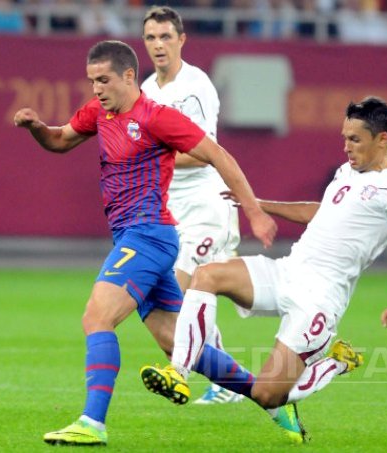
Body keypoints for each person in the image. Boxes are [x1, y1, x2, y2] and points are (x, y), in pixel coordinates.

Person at [13, 40, 277, 447]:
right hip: (136, 235)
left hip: (148, 234)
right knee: (176, 343)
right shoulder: (98, 112)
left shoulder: (157, 117)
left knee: (97, 317)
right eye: (92, 80)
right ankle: (272, 400)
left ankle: (92, 422)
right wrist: (36, 127)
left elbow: (219, 155)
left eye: (104, 80)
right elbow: (60, 140)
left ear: (128, 76)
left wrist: (254, 211)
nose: (97, 88)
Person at [141, 97, 387, 444]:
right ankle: (178, 373)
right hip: (287, 271)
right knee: (207, 275)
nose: (346, 147)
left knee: (267, 395)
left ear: (382, 139)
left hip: (319, 299)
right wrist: (260, 205)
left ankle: (337, 361)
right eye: (344, 137)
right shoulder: (347, 171)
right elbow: (320, 213)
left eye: (355, 139)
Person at [141, 5, 242, 404]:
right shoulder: (147, 90)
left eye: (166, 36)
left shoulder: (195, 86)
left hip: (205, 206)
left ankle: (179, 373)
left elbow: (203, 154)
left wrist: (150, 156)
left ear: (181, 40)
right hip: (171, 208)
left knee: (182, 291)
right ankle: (227, 381)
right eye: (151, 37)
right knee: (184, 295)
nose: (159, 45)